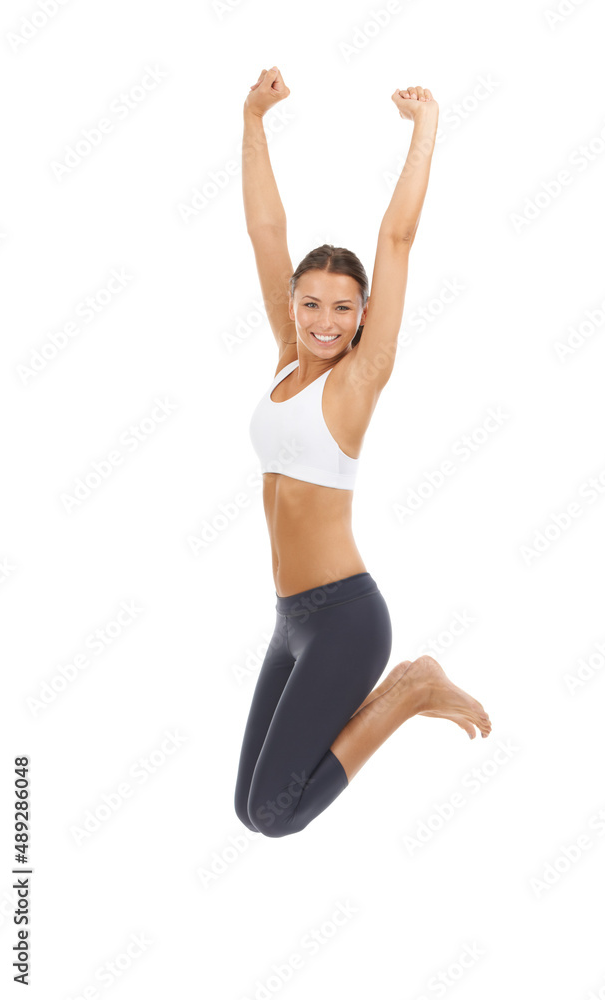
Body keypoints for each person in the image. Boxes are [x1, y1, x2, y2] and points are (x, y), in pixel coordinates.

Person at [234, 66, 491, 838]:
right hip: (291, 617)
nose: (323, 319)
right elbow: (265, 232)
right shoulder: (286, 358)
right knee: (252, 809)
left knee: (278, 814)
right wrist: (253, 120)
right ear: (293, 303)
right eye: (310, 302)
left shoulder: (359, 379)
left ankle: (411, 689)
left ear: (362, 315)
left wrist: (424, 128)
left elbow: (397, 238)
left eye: (342, 308)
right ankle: (407, 688)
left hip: (346, 615)